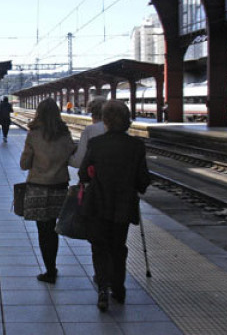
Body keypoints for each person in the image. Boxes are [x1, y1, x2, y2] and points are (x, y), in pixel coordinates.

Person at [77, 100, 151, 312]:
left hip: (98, 204)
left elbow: (83, 174)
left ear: (106, 120)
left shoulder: (97, 144)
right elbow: (143, 180)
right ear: (126, 120)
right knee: (118, 247)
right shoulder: (136, 146)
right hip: (123, 205)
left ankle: (102, 289)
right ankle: (118, 288)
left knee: (99, 247)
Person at [19, 98, 77, 284]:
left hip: (38, 188)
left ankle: (50, 270)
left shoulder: (34, 134)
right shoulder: (65, 134)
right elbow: (71, 156)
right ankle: (52, 267)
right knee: (54, 229)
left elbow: (24, 164)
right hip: (60, 187)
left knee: (43, 231)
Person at [68, 98, 107, 168]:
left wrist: (65, 158)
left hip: (97, 175)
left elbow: (78, 162)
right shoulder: (120, 130)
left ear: (92, 114)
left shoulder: (90, 130)